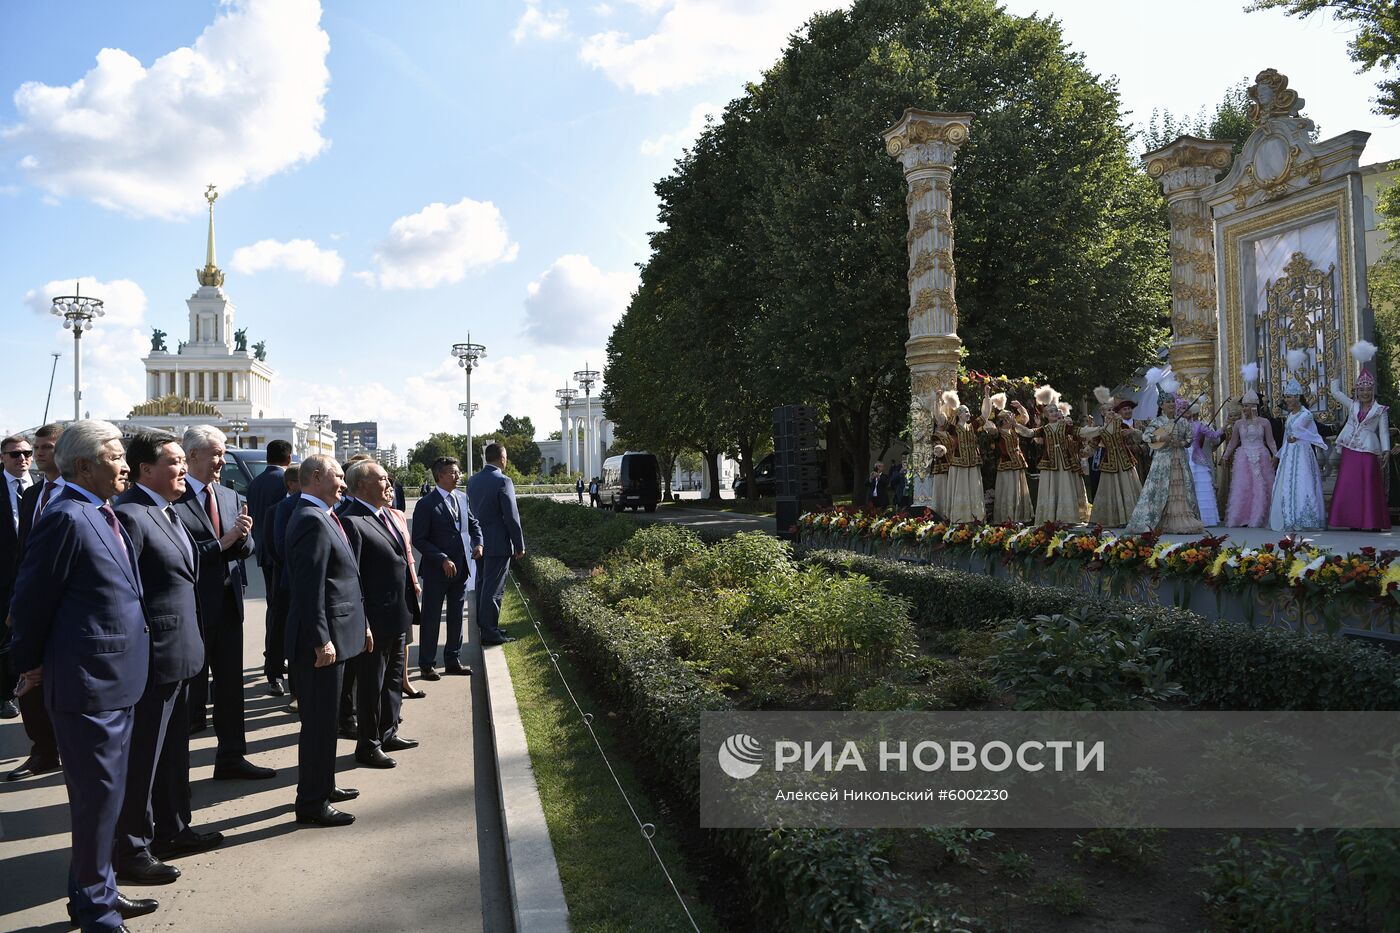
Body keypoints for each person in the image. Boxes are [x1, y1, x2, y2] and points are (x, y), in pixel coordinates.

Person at [9, 420, 159, 931]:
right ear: (85, 465)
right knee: (96, 802)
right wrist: (28, 665)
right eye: (116, 457)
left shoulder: (102, 512)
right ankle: (95, 909)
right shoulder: (66, 518)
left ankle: (100, 892)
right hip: (87, 684)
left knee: (109, 798)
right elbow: (30, 602)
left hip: (117, 679)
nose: (125, 466)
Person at [112, 432, 222, 886]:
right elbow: (123, 594)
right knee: (142, 760)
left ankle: (173, 829)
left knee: (174, 752)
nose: (183, 469)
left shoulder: (167, 509)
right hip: (153, 659)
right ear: (145, 470)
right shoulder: (130, 516)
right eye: (175, 462)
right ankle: (132, 850)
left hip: (182, 654)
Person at [174, 426, 272, 780]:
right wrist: (227, 540)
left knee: (230, 687)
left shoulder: (229, 495)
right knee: (188, 697)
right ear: (192, 456)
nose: (221, 460)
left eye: (223, 452)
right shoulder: (173, 498)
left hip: (229, 604)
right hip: (191, 609)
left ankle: (232, 757)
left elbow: (243, 550)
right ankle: (175, 777)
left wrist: (243, 537)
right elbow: (180, 558)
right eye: (215, 453)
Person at [284, 455, 368, 826]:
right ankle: (312, 804)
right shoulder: (310, 519)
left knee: (327, 720)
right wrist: (321, 640)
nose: (343, 484)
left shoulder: (323, 515)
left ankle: (324, 784)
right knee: (319, 724)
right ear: (316, 477)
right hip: (320, 645)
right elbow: (308, 588)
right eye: (338, 476)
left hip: (338, 635)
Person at [340, 460, 420, 769]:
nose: (389, 484)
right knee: (371, 685)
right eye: (382, 479)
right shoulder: (352, 521)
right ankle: (368, 744)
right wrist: (363, 623)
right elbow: (353, 578)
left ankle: (388, 732)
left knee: (393, 679)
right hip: (374, 619)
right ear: (362, 486)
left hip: (397, 614)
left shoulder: (388, 515)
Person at [7, 423, 64, 781]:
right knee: (28, 675)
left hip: (67, 605)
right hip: (30, 602)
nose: (38, 454)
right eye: (36, 448)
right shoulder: (33, 495)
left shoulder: (82, 495)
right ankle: (43, 750)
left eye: (45, 448)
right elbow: (23, 554)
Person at [410, 457, 482, 679]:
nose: (458, 476)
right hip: (436, 570)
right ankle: (427, 663)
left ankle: (453, 659)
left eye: (458, 472)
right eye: (453, 472)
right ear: (439, 475)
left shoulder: (462, 498)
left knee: (456, 615)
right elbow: (419, 539)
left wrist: (479, 543)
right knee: (431, 617)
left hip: (461, 567)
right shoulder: (426, 504)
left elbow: (473, 524)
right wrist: (441, 558)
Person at [466, 442, 525, 647]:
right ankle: (490, 632)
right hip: (498, 543)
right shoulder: (503, 481)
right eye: (506, 456)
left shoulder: (472, 481)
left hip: (479, 542)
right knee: (494, 589)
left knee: (483, 585)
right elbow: (511, 516)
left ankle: (486, 626)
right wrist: (519, 544)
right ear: (501, 458)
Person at [1328, 341, 1391, 530]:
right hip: (1350, 449)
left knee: (1369, 485)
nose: (1364, 393)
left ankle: (1371, 522)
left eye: (1368, 390)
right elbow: (1335, 391)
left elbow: (1384, 431)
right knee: (1350, 484)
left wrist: (1386, 449)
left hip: (1369, 450)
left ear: (1372, 391)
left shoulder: (1380, 410)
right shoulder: (1352, 405)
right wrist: (1335, 375)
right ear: (1357, 391)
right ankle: (1352, 520)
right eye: (1361, 390)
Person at [246, 439, 292, 695]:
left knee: (273, 606)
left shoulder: (256, 481)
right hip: (279, 553)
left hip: (263, 549)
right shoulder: (284, 481)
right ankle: (275, 659)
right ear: (288, 458)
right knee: (280, 608)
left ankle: (273, 655)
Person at [1126, 395, 1204, 535]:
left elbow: (1189, 438)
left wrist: (1180, 443)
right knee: (1160, 490)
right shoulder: (1157, 421)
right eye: (1167, 402)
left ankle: (1183, 520)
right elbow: (1146, 437)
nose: (1171, 404)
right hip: (1162, 462)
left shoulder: (1183, 422)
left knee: (1180, 489)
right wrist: (1161, 438)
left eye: (1172, 402)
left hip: (1179, 460)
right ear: (1161, 405)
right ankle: (1160, 521)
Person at [1, 433, 34, 722]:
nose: (22, 458)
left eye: (26, 453)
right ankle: (4, 695)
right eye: (15, 454)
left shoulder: (39, 488)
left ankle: (22, 686)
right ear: (2, 458)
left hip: (32, 575)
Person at [1270, 379, 1328, 532]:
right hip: (1289, 454)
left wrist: (1296, 436)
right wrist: (1278, 455)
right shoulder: (1290, 416)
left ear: (1297, 397)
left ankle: (1304, 518)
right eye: (1286, 396)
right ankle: (1289, 517)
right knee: (1288, 483)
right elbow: (1286, 438)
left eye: (1290, 397)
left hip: (1302, 453)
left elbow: (1306, 432)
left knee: (1303, 482)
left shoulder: (1306, 414)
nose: (1287, 400)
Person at [1028, 387, 1090, 525]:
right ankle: (1050, 516)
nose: (1054, 413)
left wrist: (1097, 429)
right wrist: (1016, 425)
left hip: (1065, 462)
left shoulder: (1065, 427)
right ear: (1046, 416)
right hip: (1050, 462)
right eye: (1051, 411)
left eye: (1056, 410)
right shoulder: (1044, 429)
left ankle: (1068, 517)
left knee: (1066, 487)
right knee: (1051, 488)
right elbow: (1030, 433)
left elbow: (1079, 432)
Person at [1222, 383, 1278, 528]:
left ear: (1254, 406)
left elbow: (1271, 441)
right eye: (1244, 406)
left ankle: (1260, 517)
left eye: (1247, 406)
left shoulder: (1265, 422)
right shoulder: (1239, 424)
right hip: (1243, 457)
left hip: (1261, 455)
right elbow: (1233, 442)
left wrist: (1276, 456)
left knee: (1261, 486)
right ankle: (1243, 517)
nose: (1244, 409)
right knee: (1244, 487)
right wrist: (1225, 456)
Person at [1082, 394, 1142, 528]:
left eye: (1112, 409)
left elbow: (1139, 437)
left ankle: (1129, 518)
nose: (1110, 412)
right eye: (1107, 410)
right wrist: (1082, 453)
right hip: (1109, 462)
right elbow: (1092, 446)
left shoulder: (1121, 425)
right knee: (1108, 490)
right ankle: (1113, 519)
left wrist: (1131, 432)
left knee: (1128, 488)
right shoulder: (1100, 430)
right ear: (1102, 413)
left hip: (1125, 462)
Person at [984, 400, 1033, 523]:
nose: (1013, 419)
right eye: (1010, 417)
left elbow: (1025, 420)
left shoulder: (1015, 430)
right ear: (1004, 420)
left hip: (1018, 463)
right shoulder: (998, 433)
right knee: (1008, 490)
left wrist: (1020, 407)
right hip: (1006, 466)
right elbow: (990, 431)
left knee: (1018, 490)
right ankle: (1007, 517)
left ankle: (1020, 516)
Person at [942, 390, 986, 523]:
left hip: (972, 463)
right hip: (959, 464)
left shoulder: (972, 427)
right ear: (959, 414)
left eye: (968, 412)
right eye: (966, 412)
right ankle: (960, 518)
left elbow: (985, 415)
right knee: (960, 490)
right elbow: (939, 418)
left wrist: (987, 395)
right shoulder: (953, 429)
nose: (969, 414)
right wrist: (938, 400)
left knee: (974, 489)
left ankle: (976, 518)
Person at [1188, 403, 1223, 527]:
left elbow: (1214, 436)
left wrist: (1224, 427)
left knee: (1199, 487)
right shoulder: (1181, 425)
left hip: (1196, 457)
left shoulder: (1199, 425)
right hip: (1186, 456)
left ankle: (1201, 517)